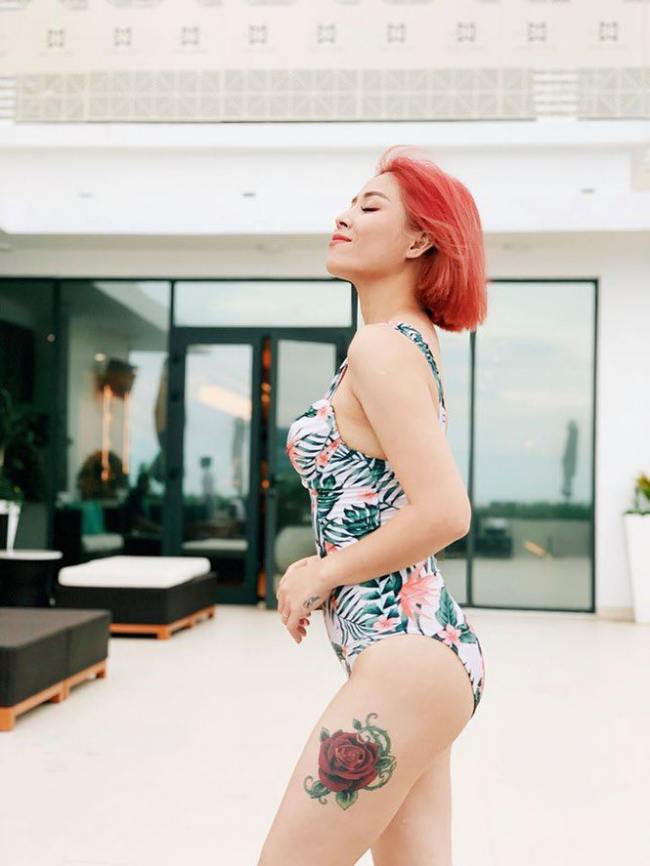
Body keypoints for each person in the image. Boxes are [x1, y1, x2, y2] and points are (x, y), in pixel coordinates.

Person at [258, 145, 488, 866]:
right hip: (419, 657)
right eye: (350, 202)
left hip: (407, 657)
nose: (344, 215)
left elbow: (446, 511)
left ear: (419, 240)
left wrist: (320, 573)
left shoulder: (383, 347)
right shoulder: (407, 343)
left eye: (369, 205)